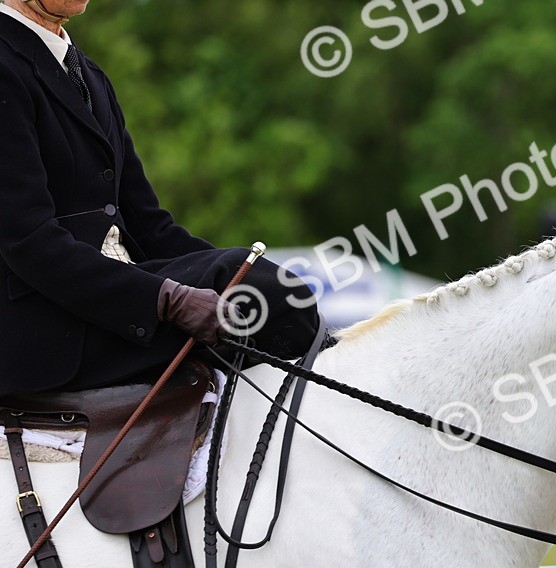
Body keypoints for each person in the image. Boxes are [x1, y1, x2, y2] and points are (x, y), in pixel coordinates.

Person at [0, 0, 320, 397]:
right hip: (45, 330)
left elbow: (152, 227)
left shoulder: (90, 76)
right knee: (251, 283)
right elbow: (29, 241)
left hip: (120, 301)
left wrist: (228, 276)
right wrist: (166, 298)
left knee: (264, 286)